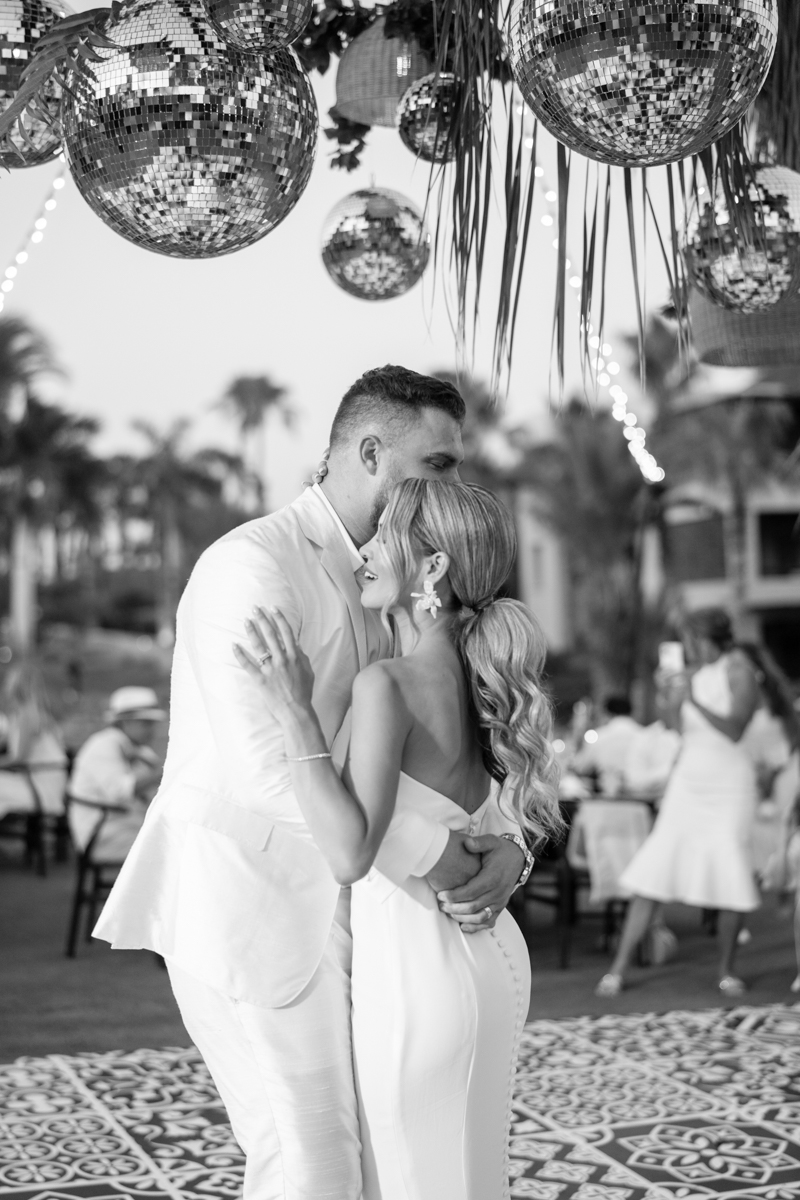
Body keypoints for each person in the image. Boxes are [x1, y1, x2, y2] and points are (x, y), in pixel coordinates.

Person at [94, 366, 529, 1200]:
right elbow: (265, 771)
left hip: (380, 923)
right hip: (256, 908)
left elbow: (468, 745)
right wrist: (444, 856)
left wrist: (509, 848)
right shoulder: (249, 567)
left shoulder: (411, 579)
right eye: (438, 465)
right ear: (371, 451)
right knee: (312, 1162)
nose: (455, 483)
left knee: (379, 1160)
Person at [235, 478, 560, 1200]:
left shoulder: (389, 684)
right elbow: (500, 816)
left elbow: (351, 852)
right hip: (492, 957)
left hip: (421, 975)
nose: (367, 552)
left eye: (386, 537)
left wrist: (295, 715)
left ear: (433, 569)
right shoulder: (479, 678)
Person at [596, 607, 760, 998]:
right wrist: (666, 695)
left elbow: (735, 729)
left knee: (729, 871)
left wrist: (695, 700)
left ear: (711, 638)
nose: (690, 648)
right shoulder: (693, 675)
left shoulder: (739, 670)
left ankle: (726, 969)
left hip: (730, 785)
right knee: (654, 870)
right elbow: (673, 726)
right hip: (688, 781)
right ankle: (618, 968)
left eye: (694, 640)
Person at [68, 686, 165, 861]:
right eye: (145, 723)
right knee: (174, 848)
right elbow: (119, 791)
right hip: (103, 833)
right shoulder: (104, 745)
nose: (152, 730)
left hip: (126, 823)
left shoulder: (138, 748)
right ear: (125, 721)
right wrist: (161, 775)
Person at [0, 662, 67, 821]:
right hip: (45, 781)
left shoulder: (27, 716)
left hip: (41, 788)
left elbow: (18, 757)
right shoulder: (36, 714)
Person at [572, 696, 640, 795]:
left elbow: (580, 767)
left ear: (608, 713)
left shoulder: (600, 737)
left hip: (607, 799)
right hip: (642, 801)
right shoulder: (643, 735)